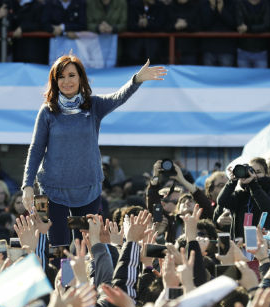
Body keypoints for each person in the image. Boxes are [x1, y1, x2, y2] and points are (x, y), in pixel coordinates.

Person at [21, 55, 167, 245]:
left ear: (81, 78)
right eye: (61, 77)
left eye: (72, 75)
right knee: (58, 249)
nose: (67, 81)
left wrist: (136, 80)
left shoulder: (94, 105)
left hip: (88, 190)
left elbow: (118, 97)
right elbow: (36, 149)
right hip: (53, 191)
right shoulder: (48, 111)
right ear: (55, 81)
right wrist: (27, 185)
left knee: (89, 247)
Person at [217, 157, 270, 238]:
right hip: (240, 245)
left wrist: (253, 184)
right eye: (251, 171)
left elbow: (266, 207)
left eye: (258, 172)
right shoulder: (240, 195)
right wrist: (232, 182)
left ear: (266, 174)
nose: (253, 175)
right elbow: (221, 201)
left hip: (264, 244)